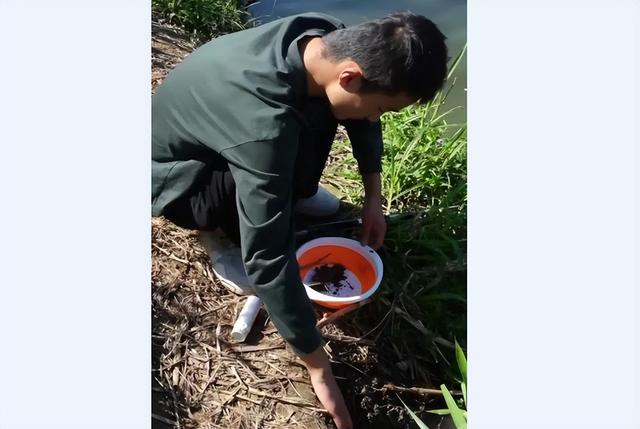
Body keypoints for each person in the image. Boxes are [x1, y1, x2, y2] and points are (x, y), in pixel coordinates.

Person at [152, 11, 447, 429]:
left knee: (323, 112)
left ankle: (293, 191)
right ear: (350, 77)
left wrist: (373, 200)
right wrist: (317, 365)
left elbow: (364, 120)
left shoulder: (324, 37)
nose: (376, 118)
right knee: (267, 194)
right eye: (382, 107)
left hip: (234, 133)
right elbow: (270, 257)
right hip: (185, 181)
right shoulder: (263, 122)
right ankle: (219, 237)